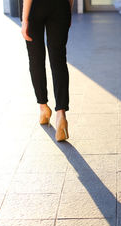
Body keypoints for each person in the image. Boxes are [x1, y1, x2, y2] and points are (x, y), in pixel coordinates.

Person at [21, 0, 72, 141]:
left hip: (34, 7)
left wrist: (25, 19)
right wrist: (68, 9)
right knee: (59, 61)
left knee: (36, 60)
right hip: (61, 7)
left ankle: (43, 107)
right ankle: (61, 114)